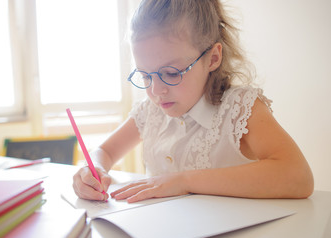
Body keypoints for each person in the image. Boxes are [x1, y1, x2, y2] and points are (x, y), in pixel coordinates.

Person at [72, 0, 314, 203]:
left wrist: (184, 181)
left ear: (213, 58)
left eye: (171, 73)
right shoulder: (150, 112)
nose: (156, 91)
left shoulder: (239, 108)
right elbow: (103, 151)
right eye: (145, 75)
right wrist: (93, 170)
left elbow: (298, 176)